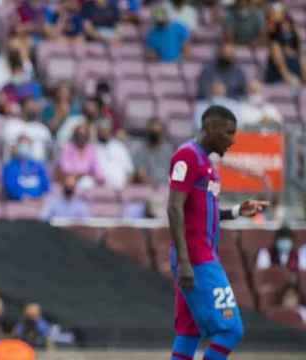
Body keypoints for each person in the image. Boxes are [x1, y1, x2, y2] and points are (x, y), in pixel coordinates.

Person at [167, 105, 269, 360]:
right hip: (197, 258)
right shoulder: (187, 156)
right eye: (229, 133)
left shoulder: (207, 163)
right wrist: (185, 262)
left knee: (189, 332)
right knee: (231, 330)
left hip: (199, 255)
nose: (233, 140)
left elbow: (203, 211)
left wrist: (236, 211)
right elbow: (174, 207)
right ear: (210, 127)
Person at [264, 2, 306, 86]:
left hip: (295, 84)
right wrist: (291, 80)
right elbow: (282, 68)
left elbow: (303, 66)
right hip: (277, 83)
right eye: (283, 26)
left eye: (289, 26)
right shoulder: (275, 44)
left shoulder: (297, 47)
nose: (286, 29)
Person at [2, 136, 50, 201]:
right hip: (17, 203)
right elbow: (10, 187)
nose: (24, 148)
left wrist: (39, 196)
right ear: (16, 147)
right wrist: (20, 196)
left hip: (38, 201)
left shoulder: (38, 165)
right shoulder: (10, 166)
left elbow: (45, 185)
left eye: (26, 145)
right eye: (21, 145)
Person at [132, 118, 174, 186]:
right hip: (147, 188)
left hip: (165, 188)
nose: (154, 136)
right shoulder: (140, 150)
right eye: (152, 132)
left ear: (161, 133)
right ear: (147, 132)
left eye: (157, 133)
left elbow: (173, 174)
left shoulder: (168, 150)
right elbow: (140, 173)